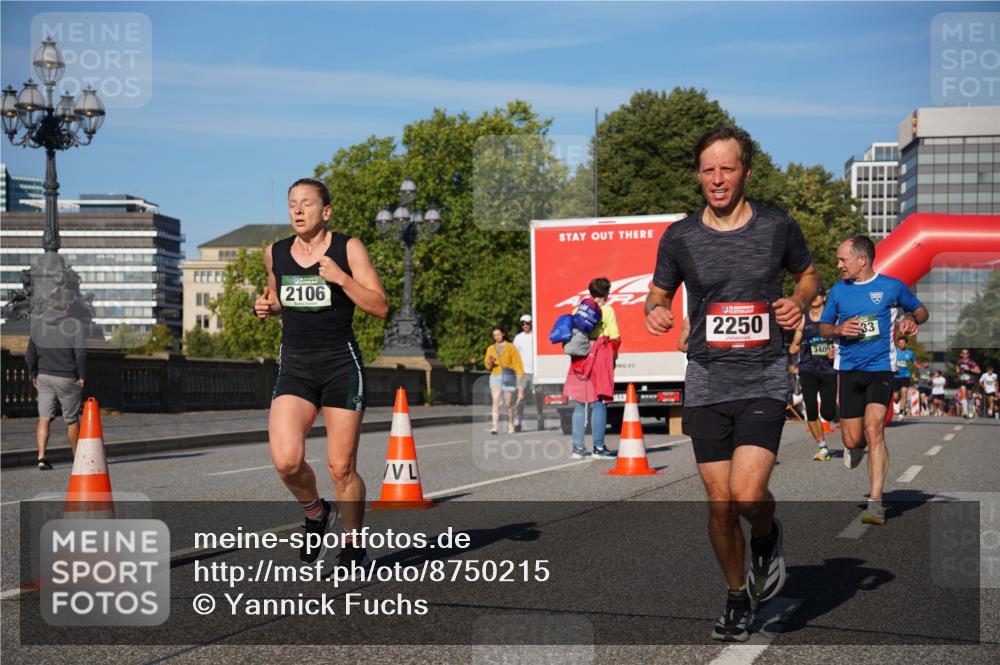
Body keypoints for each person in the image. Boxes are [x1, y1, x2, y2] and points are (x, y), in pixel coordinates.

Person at [644, 126, 818, 642]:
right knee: (719, 503)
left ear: (746, 170)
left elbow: (808, 277)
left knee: (746, 495)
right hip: (706, 378)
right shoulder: (680, 237)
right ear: (698, 175)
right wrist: (655, 311)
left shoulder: (777, 227)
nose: (717, 180)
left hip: (763, 375)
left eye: (727, 168)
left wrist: (799, 301)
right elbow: (658, 294)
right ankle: (737, 596)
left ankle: (766, 533)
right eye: (707, 170)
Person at [255, 178, 388, 567]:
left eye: (307, 204)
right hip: (295, 365)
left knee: (341, 467)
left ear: (325, 211)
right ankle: (315, 511)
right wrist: (266, 308)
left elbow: (379, 306)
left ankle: (353, 543)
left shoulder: (348, 248)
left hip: (339, 365)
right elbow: (277, 297)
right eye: (292, 204)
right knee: (286, 461)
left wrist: (342, 279)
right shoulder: (276, 253)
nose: (297, 210)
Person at [819, 235, 928, 526]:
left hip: (881, 368)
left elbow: (920, 310)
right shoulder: (838, 291)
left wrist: (912, 320)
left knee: (874, 429)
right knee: (853, 437)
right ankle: (856, 449)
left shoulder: (892, 287)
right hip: (849, 369)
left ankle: (876, 502)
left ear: (862, 260)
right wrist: (840, 329)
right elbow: (824, 327)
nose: (838, 264)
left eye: (843, 259)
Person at [25, 292, 86, 470]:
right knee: (72, 420)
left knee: (43, 418)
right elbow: (80, 353)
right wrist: (82, 375)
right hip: (67, 377)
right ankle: (77, 458)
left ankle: (42, 457)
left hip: (44, 377)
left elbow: (30, 355)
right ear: (66, 306)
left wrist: (33, 374)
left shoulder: (38, 325)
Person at [563, 277, 620, 461]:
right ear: (605, 295)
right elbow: (615, 337)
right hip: (600, 356)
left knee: (580, 403)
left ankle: (578, 448)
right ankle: (599, 447)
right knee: (600, 402)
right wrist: (614, 356)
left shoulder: (577, 310)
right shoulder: (607, 310)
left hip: (580, 359)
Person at [788, 286, 837, 460]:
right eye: (812, 295)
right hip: (808, 368)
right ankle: (822, 447)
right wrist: (794, 346)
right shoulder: (803, 319)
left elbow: (843, 341)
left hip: (828, 370)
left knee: (828, 413)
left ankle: (835, 413)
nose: (815, 297)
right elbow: (796, 340)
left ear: (824, 298)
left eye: (818, 294)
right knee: (811, 410)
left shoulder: (832, 318)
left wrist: (835, 351)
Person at [484, 324, 524, 434]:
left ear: (503, 334)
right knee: (495, 401)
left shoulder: (511, 347)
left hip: (508, 376)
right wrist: (490, 363)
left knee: (508, 403)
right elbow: (487, 365)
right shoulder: (491, 349)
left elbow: (517, 361)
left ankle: (511, 423)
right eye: (494, 335)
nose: (496, 337)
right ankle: (494, 426)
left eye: (498, 334)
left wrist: (520, 374)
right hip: (495, 376)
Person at [513, 314, 545, 431]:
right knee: (520, 396)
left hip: (536, 371)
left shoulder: (536, 336)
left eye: (527, 323)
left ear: (531, 323)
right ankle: (518, 419)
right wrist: (517, 370)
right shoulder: (518, 338)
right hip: (523, 371)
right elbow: (515, 355)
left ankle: (540, 416)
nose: (525, 325)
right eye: (523, 323)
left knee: (538, 396)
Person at [891, 337, 917, 420]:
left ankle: (901, 413)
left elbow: (915, 363)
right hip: (895, 376)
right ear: (897, 343)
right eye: (900, 343)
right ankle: (896, 401)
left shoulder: (910, 353)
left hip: (905, 376)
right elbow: (889, 361)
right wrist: (894, 367)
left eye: (903, 343)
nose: (902, 344)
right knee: (895, 397)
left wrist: (916, 370)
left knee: (904, 393)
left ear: (906, 343)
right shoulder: (894, 352)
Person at [954, 349, 982, 419]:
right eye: (963, 353)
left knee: (969, 396)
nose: (965, 355)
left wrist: (969, 369)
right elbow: (957, 369)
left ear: (968, 354)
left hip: (970, 381)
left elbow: (978, 371)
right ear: (961, 354)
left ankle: (970, 409)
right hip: (962, 381)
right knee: (963, 394)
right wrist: (958, 371)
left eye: (966, 353)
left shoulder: (972, 362)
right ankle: (965, 411)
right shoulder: (959, 362)